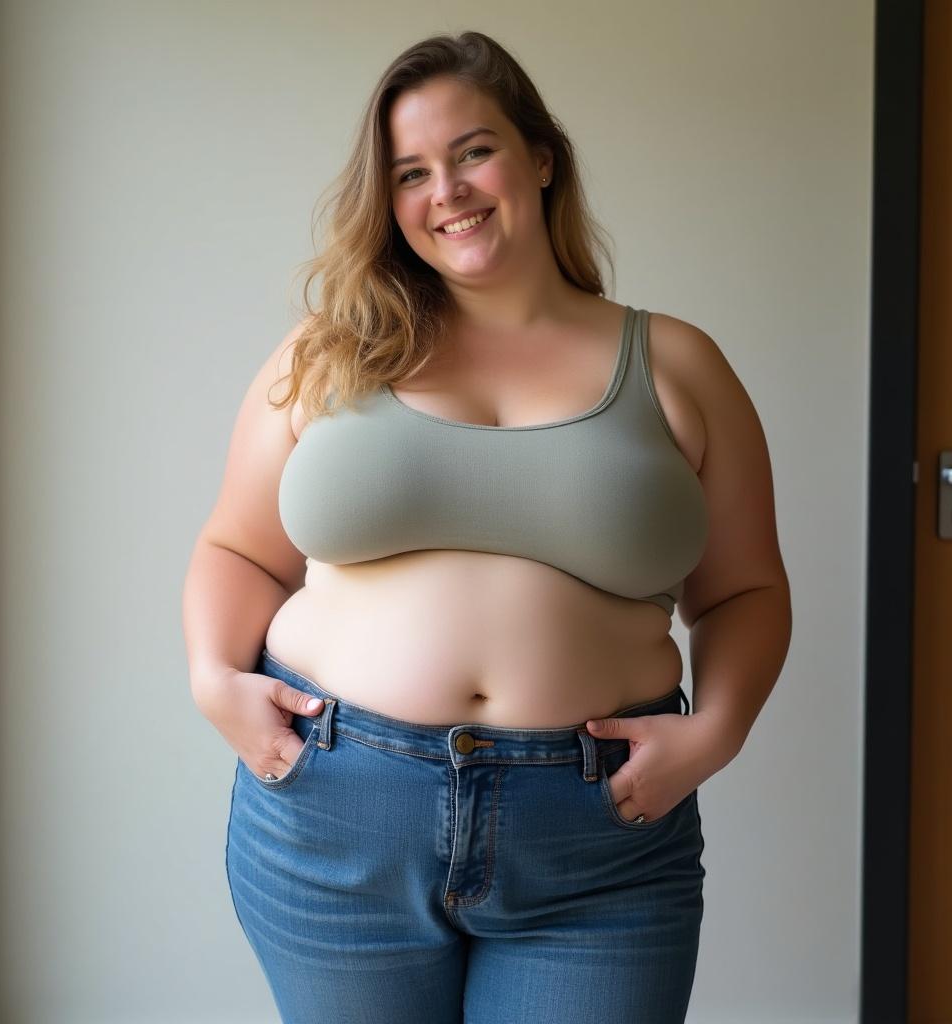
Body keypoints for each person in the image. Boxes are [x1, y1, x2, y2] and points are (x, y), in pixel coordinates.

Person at [182, 29, 791, 1024]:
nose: (447, 192)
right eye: (411, 172)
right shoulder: (329, 355)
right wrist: (215, 679)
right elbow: (238, 549)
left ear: (540, 156)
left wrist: (716, 731)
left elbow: (743, 590)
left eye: (472, 151)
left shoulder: (676, 364)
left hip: (593, 839)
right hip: (335, 814)